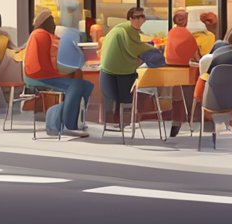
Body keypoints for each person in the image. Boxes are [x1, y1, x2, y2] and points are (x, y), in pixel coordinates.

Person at [22, 10, 93, 138]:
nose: (54, 25)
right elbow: (43, 64)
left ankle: (54, 118)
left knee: (86, 85)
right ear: (44, 23)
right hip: (39, 75)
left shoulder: (49, 36)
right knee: (76, 86)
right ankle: (68, 125)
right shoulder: (41, 35)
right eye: (52, 21)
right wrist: (62, 74)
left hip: (45, 73)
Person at [99, 7, 155, 123]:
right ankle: (127, 120)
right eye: (136, 17)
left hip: (108, 69)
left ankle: (117, 121)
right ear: (130, 19)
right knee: (128, 97)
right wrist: (155, 50)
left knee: (116, 99)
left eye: (142, 17)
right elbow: (135, 48)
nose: (139, 20)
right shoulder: (128, 30)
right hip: (121, 69)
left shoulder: (122, 28)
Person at [163, 9, 199, 137]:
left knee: (176, 98)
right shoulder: (187, 35)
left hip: (172, 71)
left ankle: (176, 123)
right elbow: (196, 56)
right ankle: (190, 122)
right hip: (186, 72)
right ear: (184, 20)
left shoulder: (171, 33)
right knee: (189, 98)